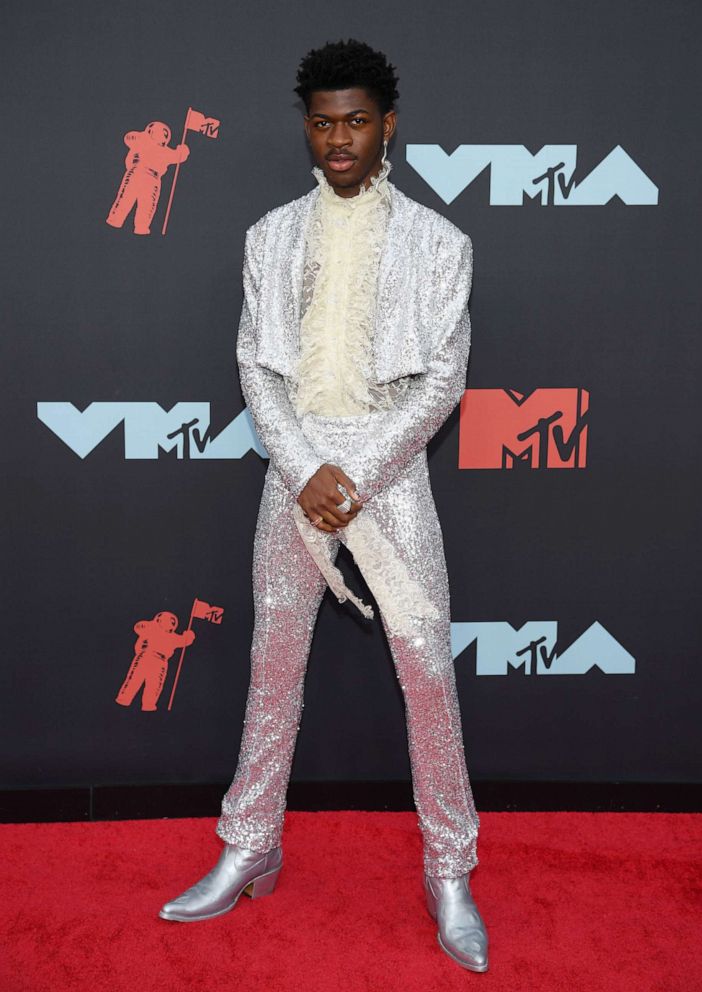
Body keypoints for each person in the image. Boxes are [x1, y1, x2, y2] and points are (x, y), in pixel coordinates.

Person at [159, 38, 489, 973]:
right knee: (273, 663)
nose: (337, 139)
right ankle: (250, 843)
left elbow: (443, 380)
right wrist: (304, 467)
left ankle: (450, 869)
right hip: (295, 471)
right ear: (305, 127)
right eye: (321, 122)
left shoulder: (440, 242)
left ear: (388, 126)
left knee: (427, 668)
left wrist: (362, 471)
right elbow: (255, 366)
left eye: (355, 121)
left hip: (392, 472)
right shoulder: (269, 236)